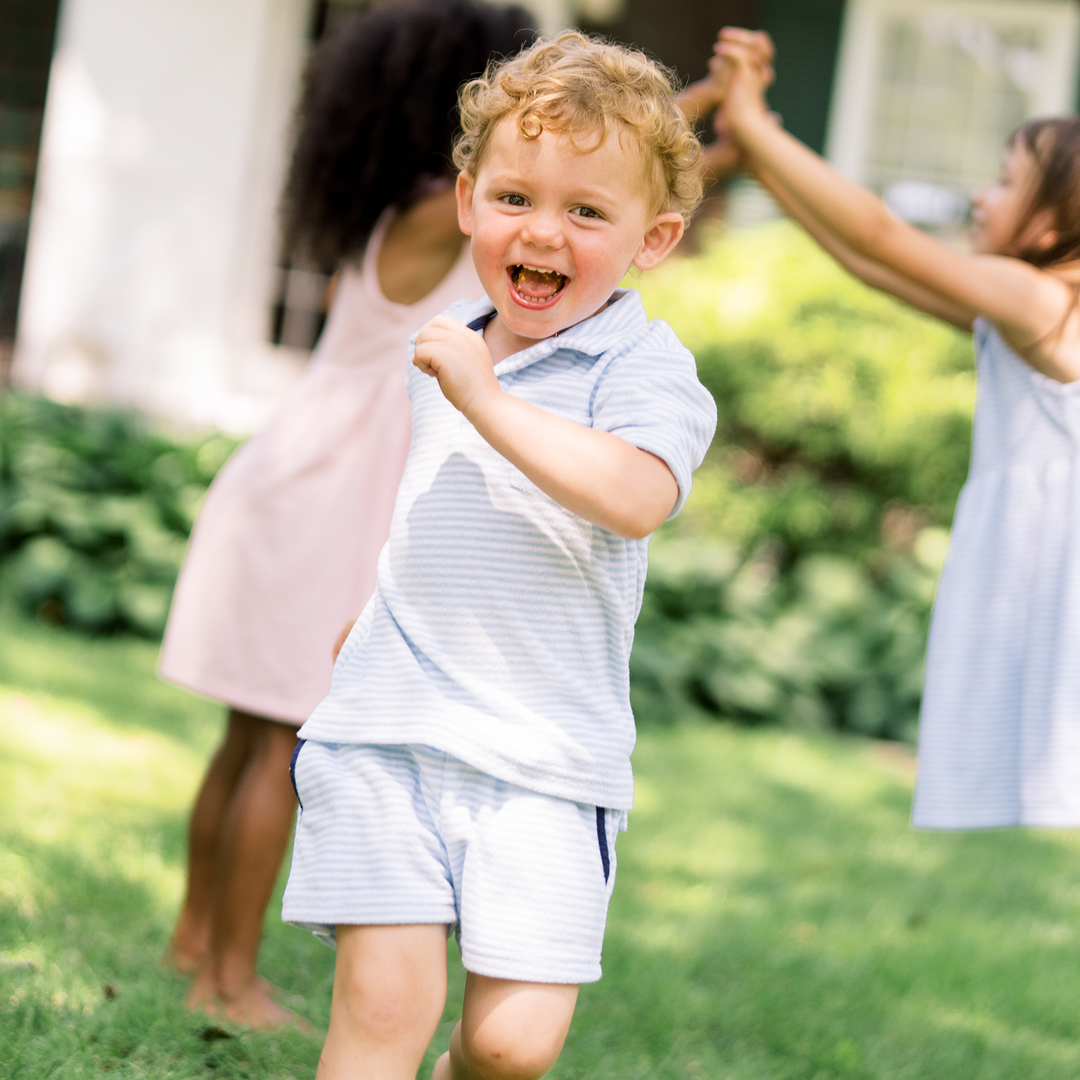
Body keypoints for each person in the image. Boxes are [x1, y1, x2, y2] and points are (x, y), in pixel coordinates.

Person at [281, 30, 718, 1080]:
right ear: (469, 199)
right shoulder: (453, 336)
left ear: (652, 241)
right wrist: (374, 616)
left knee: (511, 1048)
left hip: (546, 758)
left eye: (587, 212)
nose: (545, 233)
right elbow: (436, 512)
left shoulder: (644, 369)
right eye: (518, 198)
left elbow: (635, 497)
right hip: (389, 725)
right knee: (384, 1008)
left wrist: (482, 394)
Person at [158, 0, 537, 1029]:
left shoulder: (395, 208)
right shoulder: (440, 214)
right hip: (325, 499)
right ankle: (226, 981)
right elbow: (563, 188)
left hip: (292, 479)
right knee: (283, 743)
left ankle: (196, 939)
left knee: (248, 741)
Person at [715, 31, 1080, 829]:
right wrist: (760, 159)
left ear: (1056, 224)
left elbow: (885, 235)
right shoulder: (1020, 309)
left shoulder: (1044, 302)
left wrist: (758, 125)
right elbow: (872, 262)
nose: (982, 197)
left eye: (1006, 181)